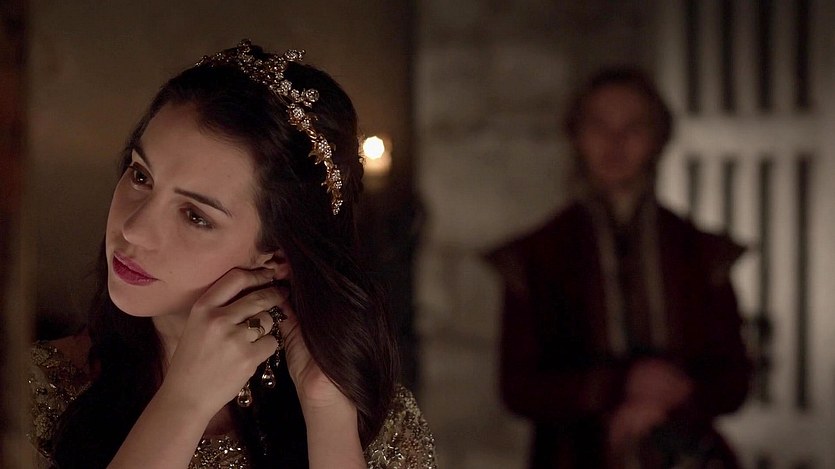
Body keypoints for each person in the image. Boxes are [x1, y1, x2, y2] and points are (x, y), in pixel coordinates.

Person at [27, 40, 436, 469]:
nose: (133, 229)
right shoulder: (31, 394)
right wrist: (184, 402)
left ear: (276, 257)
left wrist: (327, 417)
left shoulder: (374, 424)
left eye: (195, 215)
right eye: (141, 176)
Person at [486, 68, 751, 468]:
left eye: (633, 127)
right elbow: (518, 389)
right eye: (599, 127)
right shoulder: (535, 257)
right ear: (577, 135)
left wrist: (665, 398)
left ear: (657, 138)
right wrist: (619, 385)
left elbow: (733, 382)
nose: (615, 142)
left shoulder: (702, 253)